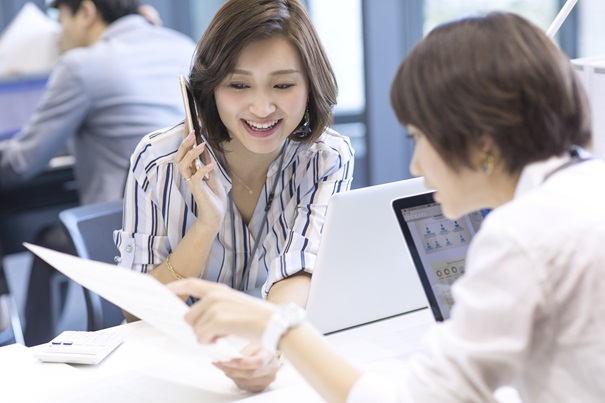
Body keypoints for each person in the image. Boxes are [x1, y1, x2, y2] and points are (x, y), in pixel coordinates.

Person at [167, 12, 605, 403]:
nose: (415, 164)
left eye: (419, 137)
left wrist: (281, 329)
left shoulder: (520, 236)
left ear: (482, 142)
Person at [114, 0, 354, 393]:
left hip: (276, 362)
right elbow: (135, 309)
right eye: (238, 85)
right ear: (210, 88)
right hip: (175, 371)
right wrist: (205, 225)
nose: (262, 107)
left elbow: (300, 269)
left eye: (283, 85)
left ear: (311, 85)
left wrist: (269, 346)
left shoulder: (326, 158)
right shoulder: (157, 161)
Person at [0, 0, 196, 346]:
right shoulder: (184, 45)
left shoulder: (81, 66)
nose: (59, 35)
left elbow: (20, 163)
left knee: (44, 243)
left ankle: (32, 349)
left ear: (87, 12)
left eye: (61, 19)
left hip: (126, 229)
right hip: (193, 222)